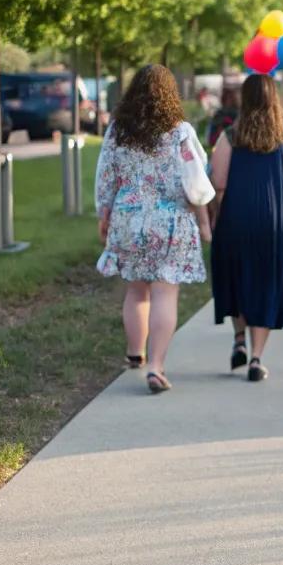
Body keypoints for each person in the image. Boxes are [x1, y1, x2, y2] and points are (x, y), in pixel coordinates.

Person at [95, 64, 215, 395]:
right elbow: (197, 181)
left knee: (136, 291)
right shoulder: (180, 131)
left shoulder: (118, 129)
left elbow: (106, 174)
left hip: (129, 218)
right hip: (170, 221)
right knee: (165, 292)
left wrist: (103, 213)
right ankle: (156, 367)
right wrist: (204, 223)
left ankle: (136, 353)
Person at [209, 73, 283, 382]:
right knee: (266, 283)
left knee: (238, 278)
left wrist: (216, 215)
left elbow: (217, 183)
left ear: (245, 99)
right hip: (277, 222)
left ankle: (239, 338)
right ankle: (256, 358)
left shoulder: (230, 137)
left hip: (238, 218)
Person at [207, 83, 240, 150]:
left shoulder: (238, 113)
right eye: (226, 98)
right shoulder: (219, 113)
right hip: (221, 143)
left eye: (230, 98)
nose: (228, 101)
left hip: (234, 144)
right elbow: (211, 136)